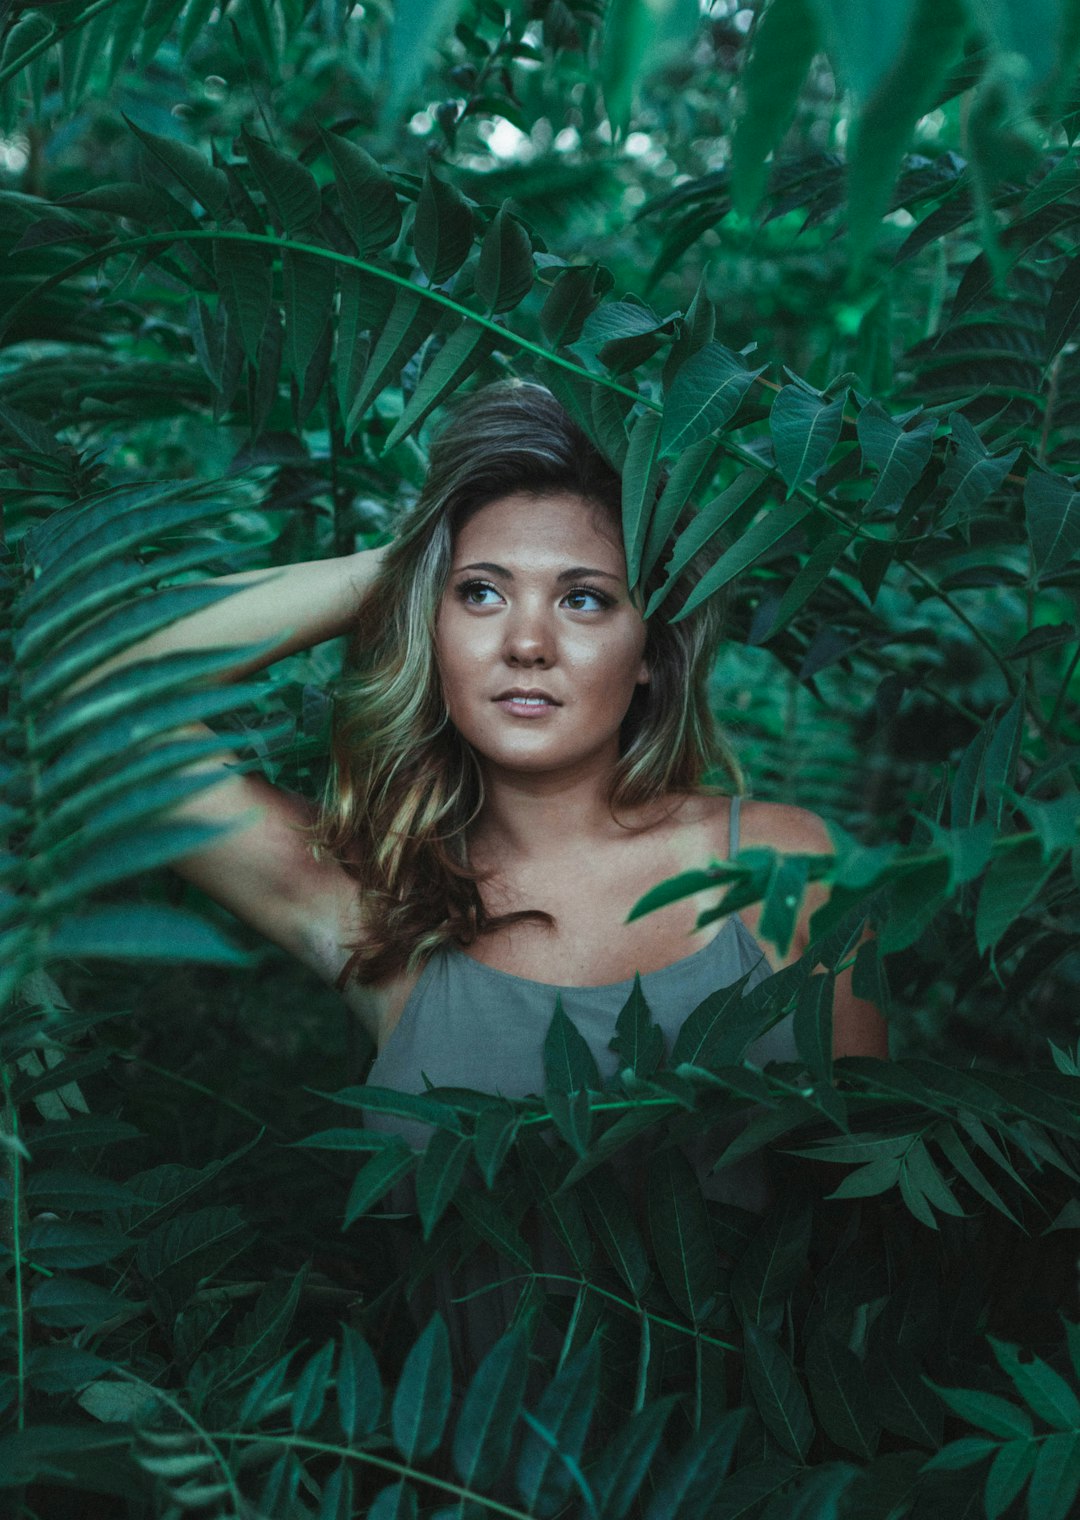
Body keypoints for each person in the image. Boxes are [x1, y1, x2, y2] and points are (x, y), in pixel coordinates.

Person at [88, 380, 886, 1360]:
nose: (526, 642)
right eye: (482, 592)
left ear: (647, 652)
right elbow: (87, 685)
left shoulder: (778, 865)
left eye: (585, 598)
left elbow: (886, 1231)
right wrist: (400, 564)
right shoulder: (380, 915)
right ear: (433, 625)